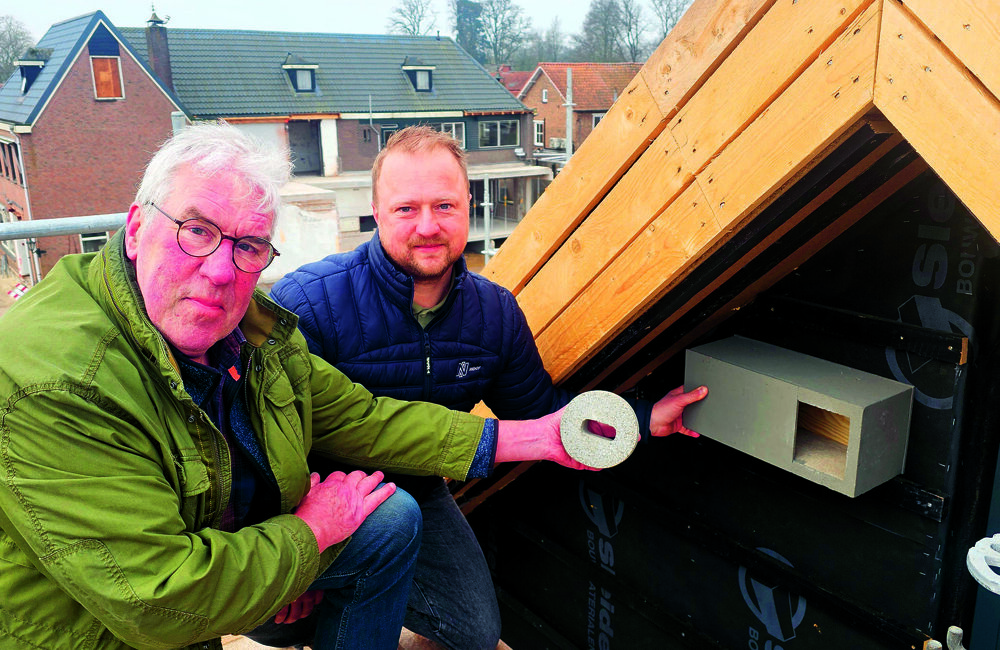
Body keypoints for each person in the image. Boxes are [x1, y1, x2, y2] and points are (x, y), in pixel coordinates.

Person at [0, 122, 606, 650]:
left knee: (404, 535)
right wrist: (303, 540)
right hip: (101, 628)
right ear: (135, 228)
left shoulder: (256, 332)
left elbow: (367, 420)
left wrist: (545, 437)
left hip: (275, 525)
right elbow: (157, 601)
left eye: (248, 246)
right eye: (196, 231)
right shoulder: (60, 380)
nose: (218, 271)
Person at [270, 125, 708, 649]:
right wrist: (296, 541)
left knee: (474, 631)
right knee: (283, 619)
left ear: (468, 204)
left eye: (445, 206)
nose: (427, 226)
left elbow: (540, 411)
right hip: (315, 492)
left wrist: (642, 417)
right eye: (407, 208)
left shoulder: (493, 314)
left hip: (418, 489)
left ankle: (355, 588)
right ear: (376, 209)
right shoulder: (310, 303)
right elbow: (265, 439)